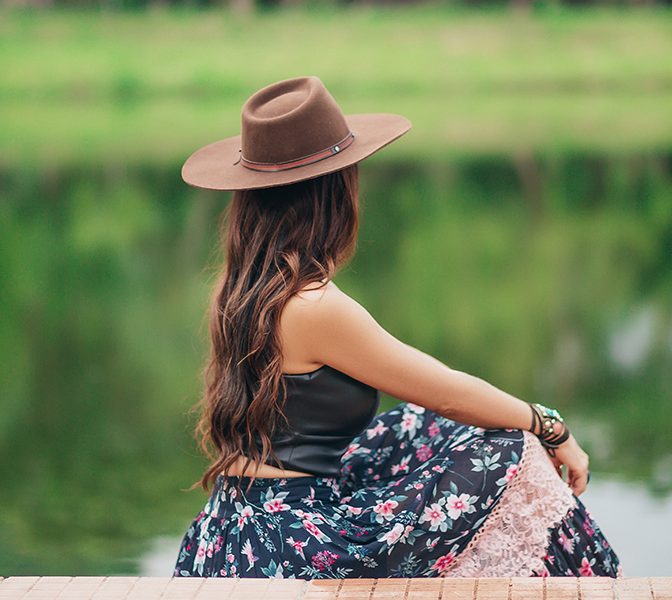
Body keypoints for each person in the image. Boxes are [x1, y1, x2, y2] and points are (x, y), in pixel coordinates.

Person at [174, 76, 620, 579]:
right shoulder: (314, 304)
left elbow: (433, 398)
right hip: (289, 544)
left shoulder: (242, 290)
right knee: (509, 446)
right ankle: (598, 587)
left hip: (233, 529)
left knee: (422, 426)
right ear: (332, 193)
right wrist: (549, 425)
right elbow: (446, 390)